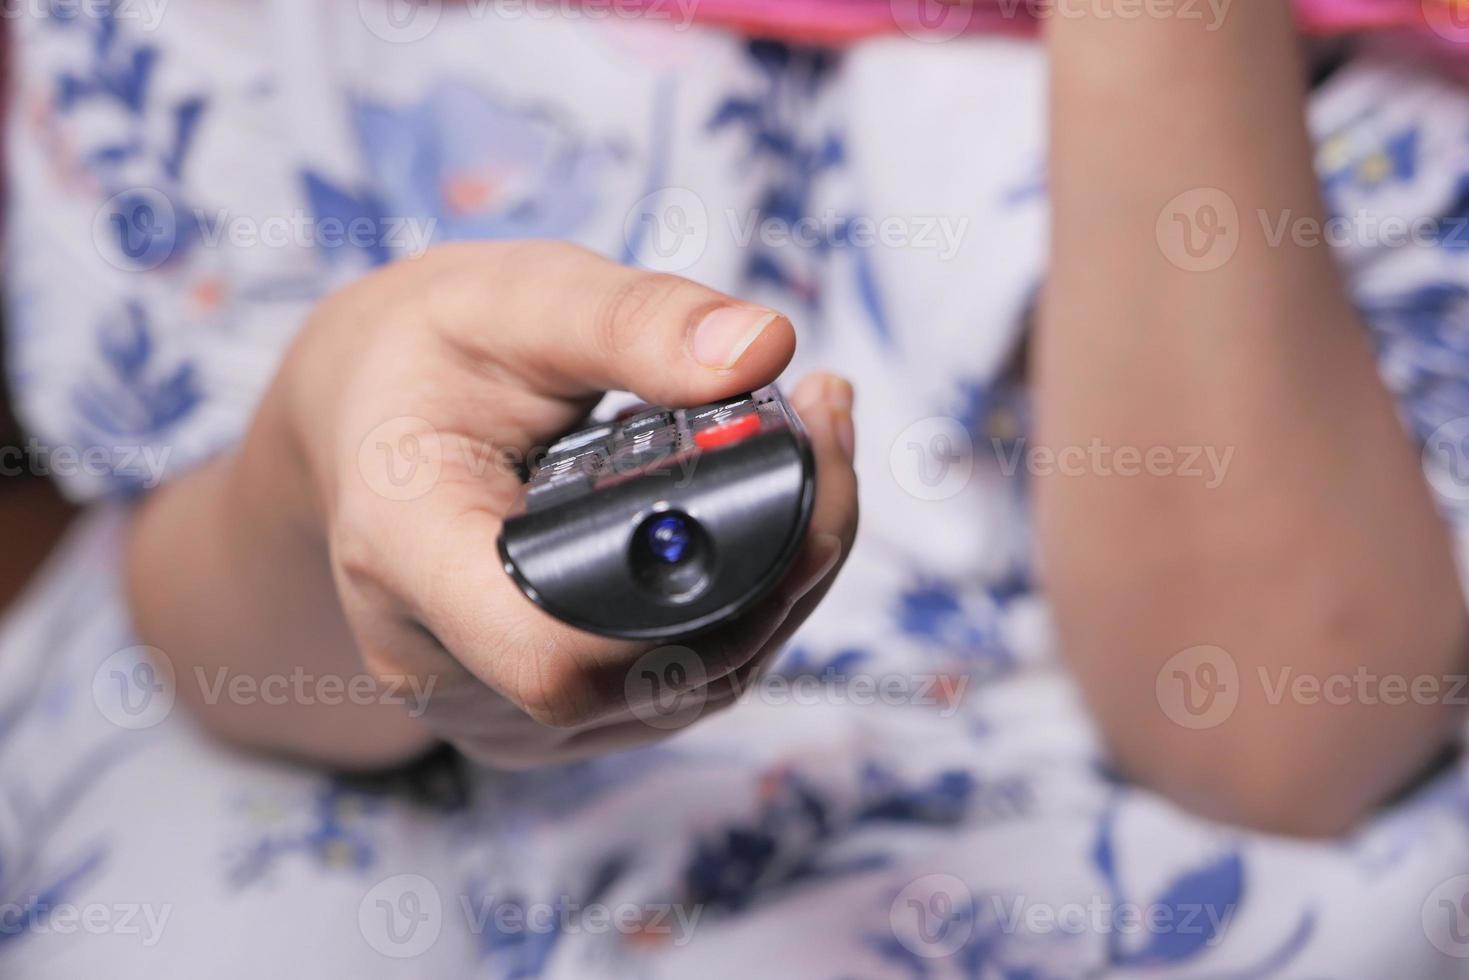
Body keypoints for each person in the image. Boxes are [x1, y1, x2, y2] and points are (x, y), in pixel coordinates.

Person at [3, 0, 1469, 975]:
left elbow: (1280, 732)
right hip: (311, 777)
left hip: (1124, 816)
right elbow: (214, 644)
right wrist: (324, 449)